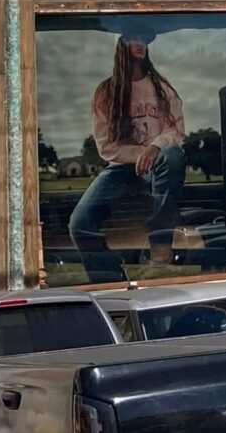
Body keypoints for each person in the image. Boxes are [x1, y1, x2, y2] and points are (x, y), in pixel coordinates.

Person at [67, 33, 189, 281]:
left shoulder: (162, 89)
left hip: (158, 164)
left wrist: (154, 147)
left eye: (143, 39)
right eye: (133, 38)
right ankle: (110, 282)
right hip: (121, 168)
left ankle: (160, 246)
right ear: (120, 46)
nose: (140, 43)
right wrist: (139, 154)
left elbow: (176, 132)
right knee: (79, 224)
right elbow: (107, 147)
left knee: (173, 155)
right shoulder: (106, 92)